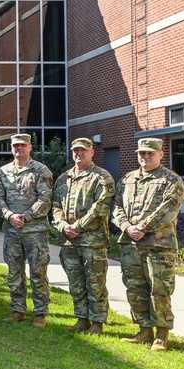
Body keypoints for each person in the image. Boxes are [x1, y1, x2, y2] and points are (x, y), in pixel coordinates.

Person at [112, 137, 184, 351]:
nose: (145, 157)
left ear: (160, 154)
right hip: (131, 243)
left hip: (159, 245)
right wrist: (127, 227)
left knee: (159, 289)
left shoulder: (171, 181)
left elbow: (167, 211)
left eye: (150, 153)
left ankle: (162, 334)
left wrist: (141, 228)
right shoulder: (127, 179)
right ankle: (144, 330)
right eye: (142, 153)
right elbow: (116, 206)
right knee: (135, 287)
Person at [52, 137, 116, 335]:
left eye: (83, 150)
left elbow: (100, 209)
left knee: (95, 284)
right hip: (69, 242)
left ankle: (97, 322)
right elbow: (55, 206)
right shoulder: (64, 178)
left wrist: (77, 227)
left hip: (92, 242)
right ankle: (81, 319)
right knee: (76, 283)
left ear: (92, 152)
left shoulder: (102, 177)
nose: (79, 154)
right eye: (75, 151)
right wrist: (63, 226)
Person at [0, 134, 55, 327]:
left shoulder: (40, 170)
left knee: (38, 273)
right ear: (12, 148)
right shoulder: (3, 172)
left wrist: (25, 216)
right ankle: (18, 310)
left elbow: (45, 199)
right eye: (15, 146)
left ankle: (40, 313)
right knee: (14, 272)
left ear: (30, 147)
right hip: (12, 231)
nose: (19, 149)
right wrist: (10, 215)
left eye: (23, 145)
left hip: (34, 231)